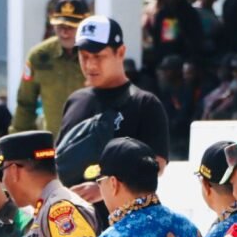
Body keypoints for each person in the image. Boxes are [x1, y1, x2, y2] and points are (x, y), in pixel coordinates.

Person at [60, 15, 170, 182]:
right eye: (84, 56)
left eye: (98, 56)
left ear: (120, 52)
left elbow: (156, 167)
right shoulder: (75, 100)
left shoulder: (145, 104)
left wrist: (105, 187)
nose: (90, 65)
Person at [11, 0, 89, 139]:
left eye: (71, 27)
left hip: (89, 140)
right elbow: (25, 103)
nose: (65, 32)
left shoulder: (95, 55)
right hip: (52, 142)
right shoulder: (39, 56)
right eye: (60, 26)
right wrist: (17, 140)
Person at [149, 0, 203, 66]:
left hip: (186, 55)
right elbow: (157, 36)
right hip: (166, 55)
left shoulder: (188, 12)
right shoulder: (163, 14)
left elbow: (196, 34)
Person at [155, 55, 194, 160]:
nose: (164, 73)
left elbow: (184, 115)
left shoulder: (187, 91)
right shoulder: (167, 91)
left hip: (183, 140)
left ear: (177, 71)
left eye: (167, 70)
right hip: (170, 140)